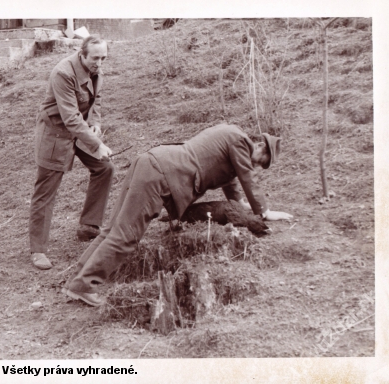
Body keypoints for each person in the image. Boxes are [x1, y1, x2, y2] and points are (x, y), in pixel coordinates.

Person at [63, 124, 293, 306]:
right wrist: (265, 212)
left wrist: (246, 212)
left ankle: (78, 278)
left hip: (152, 163)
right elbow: (248, 179)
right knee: (126, 235)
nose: (259, 167)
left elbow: (235, 191)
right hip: (160, 174)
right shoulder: (239, 140)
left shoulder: (232, 148)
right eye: (263, 162)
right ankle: (84, 285)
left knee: (113, 229)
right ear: (261, 146)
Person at [28, 36, 114, 270]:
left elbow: (96, 102)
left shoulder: (96, 70)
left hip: (80, 130)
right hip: (55, 134)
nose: (100, 62)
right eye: (95, 58)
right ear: (82, 54)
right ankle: (38, 250)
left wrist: (95, 122)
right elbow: (69, 117)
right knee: (45, 191)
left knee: (104, 168)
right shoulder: (63, 73)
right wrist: (96, 143)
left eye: (103, 57)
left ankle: (89, 226)